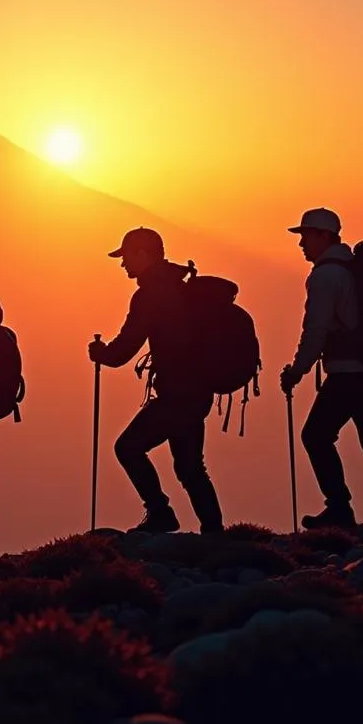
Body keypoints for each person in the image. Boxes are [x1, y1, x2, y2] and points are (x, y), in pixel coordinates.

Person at [88, 228, 224, 534]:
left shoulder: (151, 295)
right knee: (190, 467)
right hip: (197, 391)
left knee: (128, 448)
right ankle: (215, 532)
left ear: (143, 254)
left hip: (177, 393)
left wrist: (100, 353)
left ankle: (161, 513)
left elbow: (124, 349)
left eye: (126, 257)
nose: (123, 265)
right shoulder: (181, 288)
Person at [280, 208, 363, 530]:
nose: (302, 244)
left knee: (316, 436)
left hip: (347, 373)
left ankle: (339, 508)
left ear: (325, 236)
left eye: (306, 236)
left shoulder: (325, 276)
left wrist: (297, 370)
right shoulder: (352, 269)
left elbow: (316, 330)